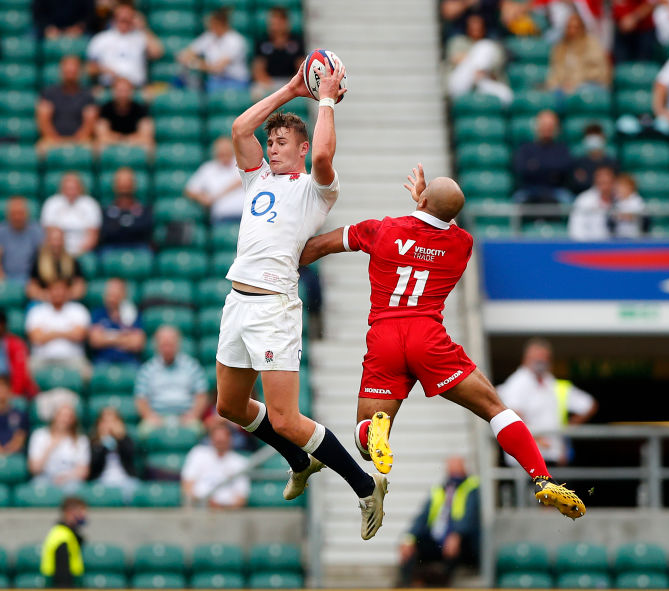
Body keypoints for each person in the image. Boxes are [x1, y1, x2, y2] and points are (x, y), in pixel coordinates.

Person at [299, 165, 588, 520]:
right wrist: (427, 205)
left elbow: (321, 245)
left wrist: (278, 265)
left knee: (365, 437)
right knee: (495, 409)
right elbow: (439, 223)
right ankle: (542, 477)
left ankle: (377, 429)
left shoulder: (382, 229)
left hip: (386, 336)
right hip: (428, 338)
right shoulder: (461, 244)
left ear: (421, 198)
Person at [218, 62, 389, 540]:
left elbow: (325, 157)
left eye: (282, 143)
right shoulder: (257, 179)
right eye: (270, 143)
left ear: (302, 147)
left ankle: (364, 486)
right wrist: (294, 89)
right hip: (238, 302)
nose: (272, 148)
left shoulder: (315, 190)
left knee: (286, 418)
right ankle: (299, 460)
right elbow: (239, 128)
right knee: (230, 406)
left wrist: (325, 101)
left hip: (274, 307)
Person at [495, 338, 597, 467]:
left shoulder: (552, 383)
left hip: (553, 457)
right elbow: (514, 416)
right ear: (526, 358)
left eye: (544, 358)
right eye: (537, 358)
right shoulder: (517, 382)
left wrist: (567, 431)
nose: (541, 361)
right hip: (526, 459)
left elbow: (589, 405)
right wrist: (536, 439)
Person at [398, 456, 480, 588]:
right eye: (451, 469)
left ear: (464, 469)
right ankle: (406, 585)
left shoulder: (472, 487)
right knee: (410, 546)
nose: (454, 474)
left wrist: (457, 534)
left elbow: (470, 517)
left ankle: (441, 583)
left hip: (462, 541)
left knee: (453, 546)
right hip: (437, 539)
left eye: (457, 469)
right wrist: (409, 538)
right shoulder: (440, 489)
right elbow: (422, 517)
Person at [134, 325, 208, 436]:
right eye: (164, 345)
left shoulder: (191, 366)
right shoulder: (148, 369)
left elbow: (201, 395)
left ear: (178, 344)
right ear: (156, 345)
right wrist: (150, 417)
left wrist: (193, 415)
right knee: (143, 432)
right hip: (156, 418)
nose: (167, 349)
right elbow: (140, 399)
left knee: (198, 430)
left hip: (186, 417)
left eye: (170, 345)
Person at [86, 0, 163, 88]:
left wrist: (143, 27)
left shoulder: (140, 37)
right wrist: (103, 69)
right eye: (121, 19)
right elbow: (89, 68)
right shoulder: (101, 39)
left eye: (127, 19)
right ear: (114, 18)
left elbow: (157, 53)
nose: (124, 22)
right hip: (110, 87)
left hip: (135, 88)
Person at [25, 278, 92, 379]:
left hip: (73, 358)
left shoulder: (79, 310)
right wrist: (66, 333)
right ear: (48, 291)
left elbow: (79, 335)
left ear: (67, 291)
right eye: (54, 289)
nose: (58, 293)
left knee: (87, 372)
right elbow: (36, 338)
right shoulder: (36, 311)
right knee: (27, 368)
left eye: (61, 289)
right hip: (43, 359)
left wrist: (50, 333)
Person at [181, 419, 250, 508]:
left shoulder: (240, 462)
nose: (220, 441)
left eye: (223, 439)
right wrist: (203, 503)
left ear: (230, 439)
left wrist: (220, 507)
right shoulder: (198, 453)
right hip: (199, 510)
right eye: (217, 440)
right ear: (211, 438)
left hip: (228, 514)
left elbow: (241, 499)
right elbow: (187, 487)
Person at [446, 13, 512, 104]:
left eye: (478, 24)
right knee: (482, 49)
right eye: (472, 25)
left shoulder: (492, 44)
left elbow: (497, 67)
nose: (476, 28)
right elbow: (455, 59)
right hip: (462, 83)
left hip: (485, 81)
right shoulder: (459, 41)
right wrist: (475, 59)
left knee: (506, 95)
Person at [177, 8, 249, 92]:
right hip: (215, 81)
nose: (208, 25)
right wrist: (187, 58)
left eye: (212, 23)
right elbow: (184, 55)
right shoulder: (209, 36)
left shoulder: (236, 40)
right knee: (184, 81)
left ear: (220, 24)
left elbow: (217, 68)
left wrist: (194, 63)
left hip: (235, 81)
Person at [37, 55, 98, 152]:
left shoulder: (88, 96)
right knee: (41, 148)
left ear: (79, 71)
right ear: (61, 70)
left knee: (94, 149)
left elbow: (89, 123)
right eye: (67, 68)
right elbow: (44, 120)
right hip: (52, 139)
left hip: (81, 140)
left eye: (73, 68)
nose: (70, 71)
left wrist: (76, 141)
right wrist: (56, 140)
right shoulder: (49, 93)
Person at [511, 110, 573, 205]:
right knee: (516, 200)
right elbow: (521, 168)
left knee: (568, 200)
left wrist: (536, 165)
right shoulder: (525, 148)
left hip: (556, 190)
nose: (547, 128)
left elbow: (565, 168)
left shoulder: (562, 149)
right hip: (529, 190)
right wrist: (552, 168)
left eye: (550, 125)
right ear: (537, 126)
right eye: (544, 124)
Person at [28, 403, 89, 492]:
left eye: (69, 416)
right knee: (37, 487)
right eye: (62, 415)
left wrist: (65, 477)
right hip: (44, 478)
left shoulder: (81, 440)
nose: (65, 419)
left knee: (75, 489)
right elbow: (34, 469)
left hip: (70, 479)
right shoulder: (39, 435)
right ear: (55, 416)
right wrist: (50, 448)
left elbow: (83, 471)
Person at [545, 12, 610, 95]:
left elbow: (599, 72)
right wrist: (555, 85)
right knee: (554, 93)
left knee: (580, 92)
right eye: (569, 27)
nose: (572, 31)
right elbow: (555, 73)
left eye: (575, 27)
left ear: (582, 28)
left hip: (589, 85)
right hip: (565, 87)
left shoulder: (592, 44)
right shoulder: (560, 47)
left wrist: (575, 83)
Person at [40, 173, 102, 257]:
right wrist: (62, 253)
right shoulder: (52, 203)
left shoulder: (90, 204)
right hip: (57, 251)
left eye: (73, 188)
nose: (71, 191)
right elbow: (49, 234)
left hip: (83, 252)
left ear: (80, 188)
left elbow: (93, 236)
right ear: (62, 189)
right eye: (68, 188)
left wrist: (78, 253)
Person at [185, 137, 245, 223]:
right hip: (222, 218)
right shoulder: (208, 169)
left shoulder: (242, 164)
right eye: (221, 152)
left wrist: (217, 195)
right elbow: (189, 190)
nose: (224, 154)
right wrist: (203, 198)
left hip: (244, 216)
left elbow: (241, 181)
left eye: (226, 151)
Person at [251, 7, 304, 99]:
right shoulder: (262, 41)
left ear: (285, 23)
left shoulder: (296, 41)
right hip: (268, 82)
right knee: (256, 92)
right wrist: (269, 84)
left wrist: (290, 84)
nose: (274, 27)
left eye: (277, 23)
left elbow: (301, 66)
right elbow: (258, 68)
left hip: (290, 81)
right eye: (272, 23)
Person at [88, 278, 145, 365]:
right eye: (109, 293)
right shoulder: (98, 313)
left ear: (123, 295)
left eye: (115, 294)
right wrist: (124, 337)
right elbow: (95, 341)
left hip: (129, 361)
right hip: (103, 360)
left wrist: (107, 336)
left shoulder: (133, 313)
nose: (111, 297)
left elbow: (137, 343)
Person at [0, 196, 45, 283]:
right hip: (5, 277)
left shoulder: (36, 230)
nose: (17, 217)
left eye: (20, 213)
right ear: (8, 214)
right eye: (14, 214)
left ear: (27, 213)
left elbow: (43, 256)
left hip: (30, 279)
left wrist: (36, 280)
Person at [88, 406, 139, 501]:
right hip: (101, 480)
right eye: (105, 422)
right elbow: (94, 464)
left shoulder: (126, 440)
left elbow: (130, 455)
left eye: (113, 421)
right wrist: (103, 441)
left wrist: (120, 437)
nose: (109, 425)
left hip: (125, 479)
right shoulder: (93, 442)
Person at [98, 167, 152, 249]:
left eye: (127, 181)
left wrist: (118, 225)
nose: (124, 185)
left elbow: (145, 230)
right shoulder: (106, 210)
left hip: (139, 249)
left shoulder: (144, 210)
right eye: (121, 182)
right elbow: (106, 232)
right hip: (112, 249)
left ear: (134, 184)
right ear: (114, 185)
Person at [28, 227, 86, 303]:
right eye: (54, 240)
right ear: (48, 241)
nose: (56, 244)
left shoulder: (72, 260)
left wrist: (64, 296)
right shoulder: (38, 261)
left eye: (59, 240)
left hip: (67, 302)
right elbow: (31, 288)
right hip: (44, 302)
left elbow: (80, 286)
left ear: (63, 241)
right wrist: (46, 295)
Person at [96, 77, 154, 152]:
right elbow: (102, 134)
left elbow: (146, 134)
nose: (123, 94)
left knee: (149, 144)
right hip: (113, 144)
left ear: (131, 92)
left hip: (134, 145)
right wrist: (120, 139)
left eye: (126, 91)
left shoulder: (140, 109)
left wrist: (127, 140)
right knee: (98, 145)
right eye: (120, 91)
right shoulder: (105, 109)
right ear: (113, 91)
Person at [39, 496, 87, 588]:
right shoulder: (62, 538)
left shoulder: (64, 533)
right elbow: (62, 577)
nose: (84, 516)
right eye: (80, 512)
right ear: (69, 512)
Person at [568, 165, 615, 240]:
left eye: (607, 183)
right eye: (601, 183)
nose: (605, 187)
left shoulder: (620, 198)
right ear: (595, 182)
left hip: (616, 247)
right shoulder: (584, 200)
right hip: (590, 247)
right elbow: (576, 230)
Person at [569, 124, 617, 194]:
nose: (593, 139)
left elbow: (614, 185)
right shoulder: (579, 162)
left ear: (603, 138)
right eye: (590, 135)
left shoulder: (612, 163)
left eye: (596, 135)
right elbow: (575, 185)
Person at [612, 174, 646, 238]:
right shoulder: (617, 201)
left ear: (630, 187)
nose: (619, 189)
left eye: (622, 187)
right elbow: (613, 216)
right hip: (619, 236)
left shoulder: (637, 200)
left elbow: (633, 216)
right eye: (618, 187)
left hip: (634, 236)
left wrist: (621, 215)